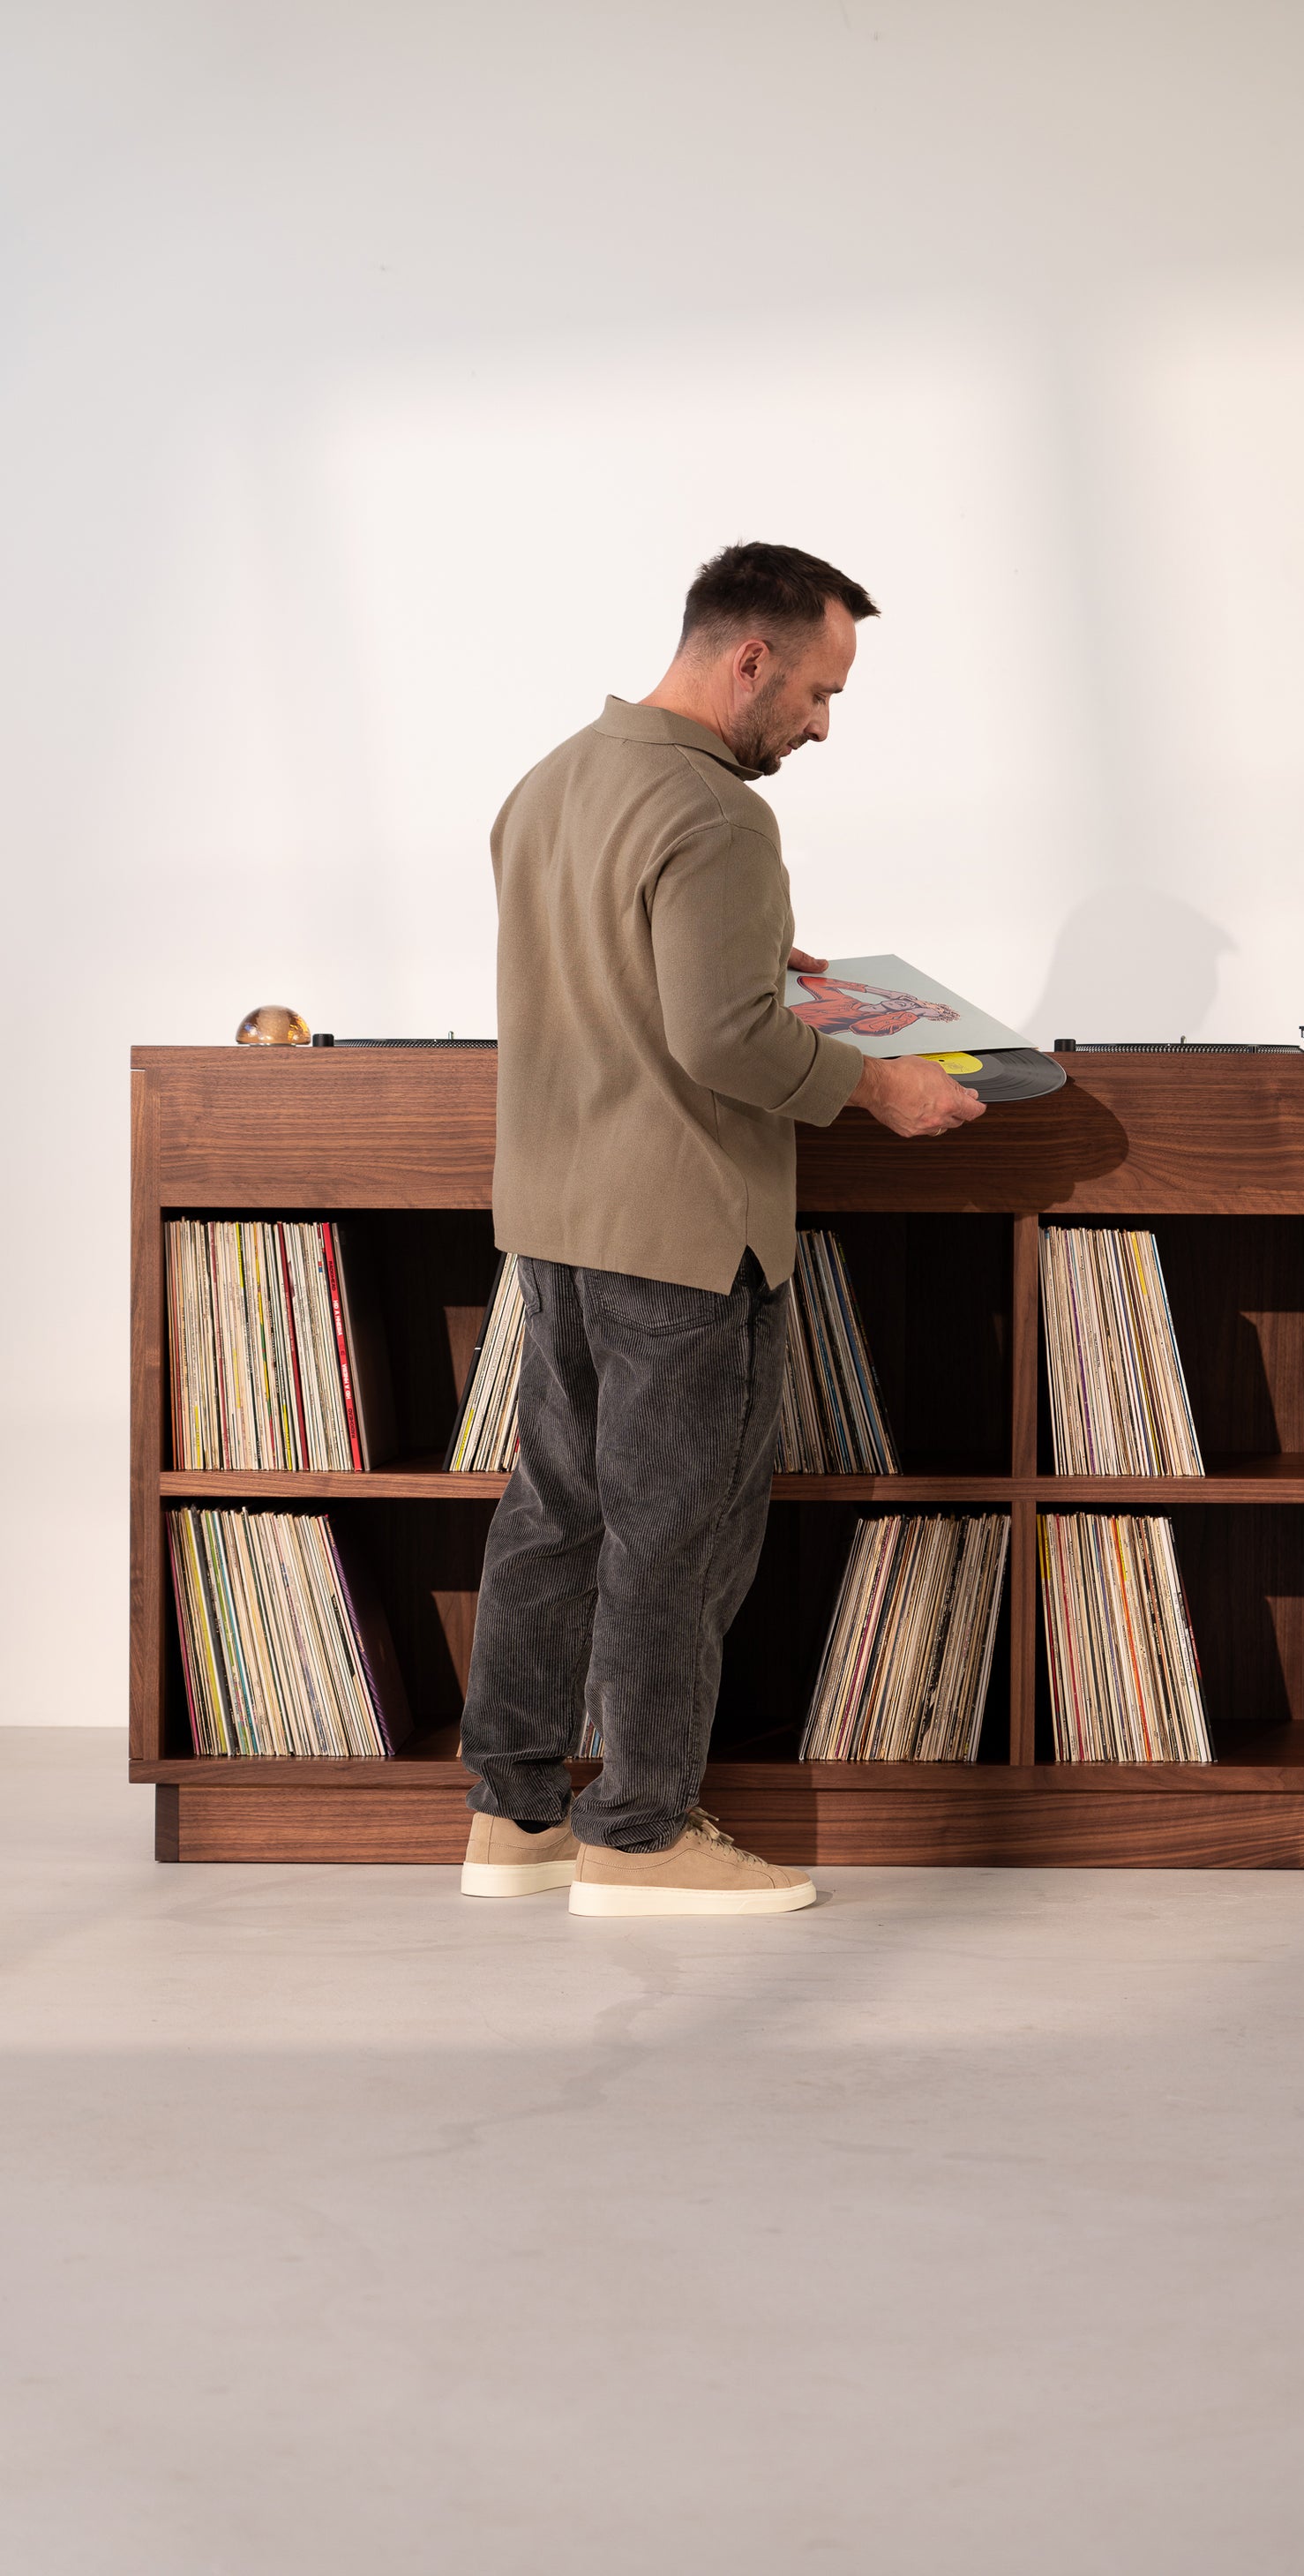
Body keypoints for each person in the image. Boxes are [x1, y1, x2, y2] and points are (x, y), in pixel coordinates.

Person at [459, 541, 985, 1915]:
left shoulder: (553, 781)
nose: (820, 725)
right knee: (672, 1539)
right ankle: (639, 1837)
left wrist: (757, 964)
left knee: (553, 1517)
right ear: (746, 658)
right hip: (683, 1229)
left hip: (558, 1215)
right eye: (816, 691)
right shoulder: (716, 815)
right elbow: (716, 1035)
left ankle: (509, 1824)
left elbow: (618, 976)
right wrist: (878, 1086)